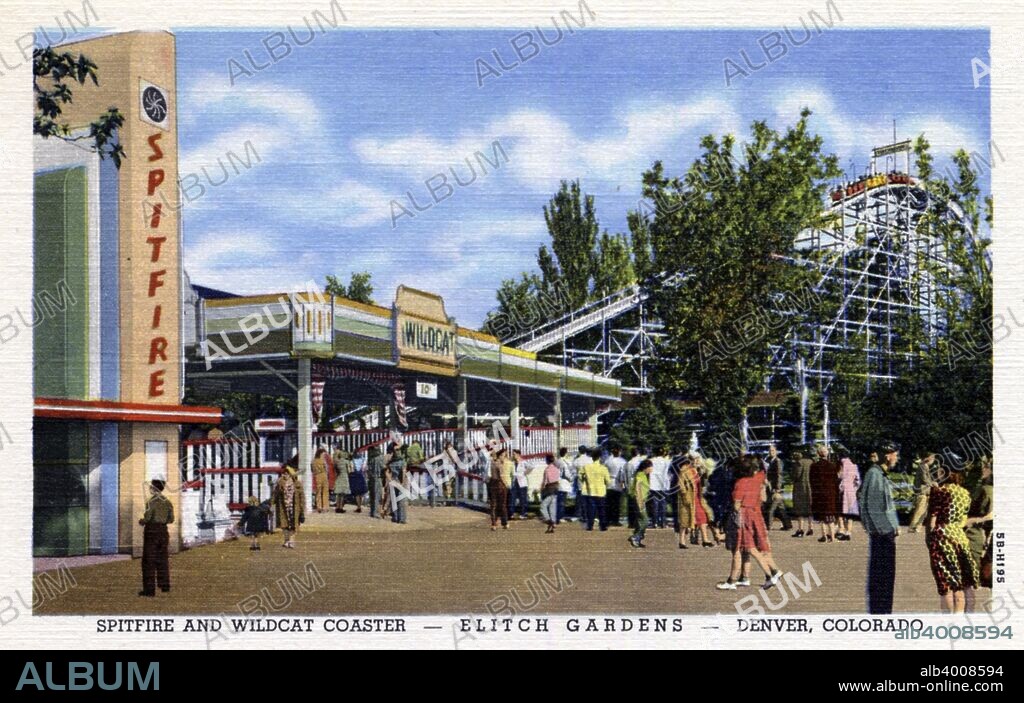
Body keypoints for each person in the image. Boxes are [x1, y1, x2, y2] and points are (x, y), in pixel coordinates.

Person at [717, 456, 782, 590]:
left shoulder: (740, 483)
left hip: (743, 515)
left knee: (748, 548)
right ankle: (745, 577)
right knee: (753, 547)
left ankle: (770, 574)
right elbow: (763, 494)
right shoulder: (757, 479)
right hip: (755, 513)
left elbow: (736, 505)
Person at [926, 459, 980, 613]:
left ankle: (948, 621)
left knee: (946, 585)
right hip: (960, 537)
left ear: (945, 472)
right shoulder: (965, 494)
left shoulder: (939, 491)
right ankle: (960, 620)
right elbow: (963, 521)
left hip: (942, 537)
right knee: (961, 584)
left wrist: (929, 539)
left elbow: (932, 520)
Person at [859, 442, 900, 614]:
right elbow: (873, 507)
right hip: (882, 535)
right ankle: (881, 613)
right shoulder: (875, 475)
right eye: (895, 454)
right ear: (888, 455)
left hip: (883, 533)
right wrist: (887, 529)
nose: (897, 458)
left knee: (884, 577)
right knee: (882, 577)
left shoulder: (879, 474)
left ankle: (882, 610)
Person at [138, 479, 174, 597]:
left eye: (151, 487)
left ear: (154, 489)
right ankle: (165, 586)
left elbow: (147, 518)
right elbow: (171, 519)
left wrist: (142, 521)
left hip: (151, 532)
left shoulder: (151, 502)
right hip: (163, 532)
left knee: (149, 561)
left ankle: (149, 590)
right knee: (162, 559)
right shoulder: (167, 502)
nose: (150, 489)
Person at [964, 460, 994, 597]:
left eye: (986, 467)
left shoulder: (986, 490)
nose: (983, 469)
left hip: (977, 532)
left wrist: (971, 520)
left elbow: (986, 513)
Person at [676, 454, 714, 549]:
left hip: (697, 498)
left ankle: (705, 539)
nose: (697, 461)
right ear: (690, 460)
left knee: (703, 517)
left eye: (698, 459)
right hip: (689, 498)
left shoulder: (696, 470)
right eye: (695, 459)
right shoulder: (684, 469)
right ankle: (682, 541)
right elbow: (680, 484)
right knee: (685, 521)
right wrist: (685, 495)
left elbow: (702, 481)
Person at [809, 445, 840, 543]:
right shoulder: (832, 466)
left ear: (818, 454)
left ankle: (824, 535)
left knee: (821, 516)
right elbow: (836, 481)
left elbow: (811, 480)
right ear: (826, 454)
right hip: (830, 493)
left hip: (818, 493)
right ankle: (832, 537)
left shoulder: (814, 466)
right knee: (830, 516)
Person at [273, 460, 305, 548]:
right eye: (284, 473)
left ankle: (292, 540)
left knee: (294, 524)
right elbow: (275, 494)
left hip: (295, 507)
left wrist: (302, 510)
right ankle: (286, 540)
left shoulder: (298, 484)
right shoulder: (280, 483)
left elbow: (302, 498)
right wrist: (272, 504)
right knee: (285, 525)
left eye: (287, 473)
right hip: (284, 507)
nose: (285, 475)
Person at [578, 448, 612, 531]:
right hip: (601, 491)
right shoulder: (603, 468)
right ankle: (603, 526)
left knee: (590, 510)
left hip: (590, 491)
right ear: (599, 457)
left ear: (592, 457)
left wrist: (584, 480)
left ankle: (590, 525)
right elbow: (608, 481)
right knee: (601, 510)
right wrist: (605, 485)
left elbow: (579, 475)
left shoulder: (586, 467)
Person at [762, 444, 792, 532]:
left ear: (776, 451)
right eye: (770, 451)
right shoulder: (768, 460)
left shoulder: (778, 461)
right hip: (769, 487)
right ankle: (787, 525)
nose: (771, 452)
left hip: (775, 488)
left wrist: (778, 487)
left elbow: (779, 475)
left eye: (773, 451)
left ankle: (768, 526)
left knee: (771, 508)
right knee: (780, 507)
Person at [909, 452, 940, 533]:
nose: (933, 460)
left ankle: (917, 527)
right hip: (921, 491)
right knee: (920, 510)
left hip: (925, 492)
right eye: (932, 458)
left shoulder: (925, 466)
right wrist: (933, 483)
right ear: (927, 458)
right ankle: (913, 526)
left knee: (924, 511)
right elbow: (924, 479)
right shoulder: (922, 466)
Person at [706, 454, 733, 543]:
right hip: (725, 496)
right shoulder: (727, 472)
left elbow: (711, 480)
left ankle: (719, 531)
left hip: (719, 496)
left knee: (720, 515)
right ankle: (722, 532)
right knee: (724, 515)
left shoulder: (717, 471)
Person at [628, 459, 653, 548]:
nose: (651, 470)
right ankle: (636, 536)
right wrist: (639, 502)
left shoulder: (645, 476)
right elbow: (637, 488)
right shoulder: (640, 475)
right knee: (645, 520)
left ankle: (638, 537)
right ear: (645, 468)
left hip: (642, 500)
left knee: (641, 520)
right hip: (639, 500)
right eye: (650, 468)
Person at [837, 448, 861, 541]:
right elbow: (858, 480)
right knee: (850, 513)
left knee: (840, 511)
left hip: (842, 490)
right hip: (851, 491)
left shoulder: (841, 465)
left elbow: (839, 476)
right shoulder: (854, 466)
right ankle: (849, 532)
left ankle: (842, 529)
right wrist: (855, 488)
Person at [488, 447, 513, 531]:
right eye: (503, 455)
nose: (504, 457)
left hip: (492, 484)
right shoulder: (500, 464)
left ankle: (494, 524)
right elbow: (501, 476)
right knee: (503, 504)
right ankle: (504, 522)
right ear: (499, 456)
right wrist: (506, 485)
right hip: (500, 485)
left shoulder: (492, 463)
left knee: (494, 504)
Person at [790, 450, 813, 537]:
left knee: (800, 509)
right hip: (810, 487)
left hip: (800, 488)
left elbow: (797, 475)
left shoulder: (798, 463)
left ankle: (800, 529)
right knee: (810, 508)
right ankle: (810, 528)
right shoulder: (811, 462)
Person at [649, 447, 671, 529]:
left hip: (653, 483)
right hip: (663, 484)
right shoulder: (667, 461)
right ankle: (663, 522)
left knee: (654, 504)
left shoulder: (651, 461)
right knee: (663, 504)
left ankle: (655, 522)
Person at [387, 441, 408, 524]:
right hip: (400, 481)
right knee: (401, 501)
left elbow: (387, 472)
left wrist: (390, 480)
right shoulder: (402, 461)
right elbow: (403, 472)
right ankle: (402, 518)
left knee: (394, 500)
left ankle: (395, 517)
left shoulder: (391, 462)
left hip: (394, 480)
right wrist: (402, 482)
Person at [605, 446, 627, 527]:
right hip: (617, 483)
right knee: (616, 503)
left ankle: (608, 519)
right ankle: (615, 520)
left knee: (608, 502)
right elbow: (622, 473)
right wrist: (623, 483)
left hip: (609, 481)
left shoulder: (608, 461)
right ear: (619, 452)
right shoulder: (622, 461)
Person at [624, 447, 646, 529]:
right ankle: (639, 521)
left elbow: (625, 475)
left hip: (630, 484)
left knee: (630, 504)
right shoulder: (640, 462)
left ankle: (631, 522)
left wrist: (626, 485)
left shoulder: (628, 463)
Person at [539, 453, 561, 534]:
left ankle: (549, 521)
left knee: (543, 506)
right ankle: (553, 524)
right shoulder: (556, 469)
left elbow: (545, 482)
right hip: (556, 489)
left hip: (549, 489)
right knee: (552, 508)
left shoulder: (547, 469)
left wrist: (541, 489)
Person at [572, 446, 591, 526]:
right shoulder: (590, 460)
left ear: (579, 451)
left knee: (581, 499)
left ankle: (581, 515)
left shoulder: (577, 461)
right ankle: (588, 514)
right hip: (589, 481)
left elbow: (573, 471)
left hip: (580, 482)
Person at [511, 449, 531, 519]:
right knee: (512, 498)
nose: (513, 455)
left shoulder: (523, 462)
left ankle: (523, 514)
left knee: (523, 499)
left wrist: (525, 473)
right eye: (513, 454)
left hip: (522, 482)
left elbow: (531, 467)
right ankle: (512, 513)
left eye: (514, 454)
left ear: (518, 454)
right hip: (515, 482)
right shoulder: (513, 463)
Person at [556, 447, 575, 524]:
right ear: (566, 453)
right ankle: (560, 517)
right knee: (562, 501)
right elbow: (566, 473)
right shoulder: (564, 462)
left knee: (559, 501)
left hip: (558, 482)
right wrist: (571, 479)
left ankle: (557, 516)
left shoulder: (557, 461)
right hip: (563, 483)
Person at [406, 439, 427, 505]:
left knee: (410, 481)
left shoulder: (409, 448)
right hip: (417, 466)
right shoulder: (418, 447)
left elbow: (407, 458)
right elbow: (421, 458)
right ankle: (418, 496)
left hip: (410, 466)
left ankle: (409, 496)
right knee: (418, 480)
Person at [332, 447, 352, 513]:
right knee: (343, 494)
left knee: (338, 494)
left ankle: (337, 507)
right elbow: (349, 471)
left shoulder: (337, 462)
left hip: (339, 476)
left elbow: (335, 470)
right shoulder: (347, 462)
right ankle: (341, 507)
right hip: (345, 476)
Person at [366, 445, 383, 518]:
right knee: (377, 496)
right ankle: (376, 513)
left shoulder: (370, 459)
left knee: (372, 496)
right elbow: (383, 467)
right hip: (377, 478)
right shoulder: (379, 459)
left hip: (371, 478)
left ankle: (372, 511)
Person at [312, 447, 329, 514]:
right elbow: (326, 469)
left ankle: (319, 506)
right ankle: (325, 506)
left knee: (318, 492)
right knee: (325, 492)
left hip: (317, 476)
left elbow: (312, 470)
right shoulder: (323, 461)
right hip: (323, 475)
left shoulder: (313, 461)